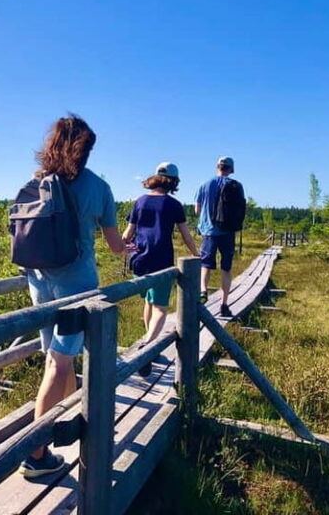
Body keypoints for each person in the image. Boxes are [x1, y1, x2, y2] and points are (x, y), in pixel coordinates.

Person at [18, 115, 126, 479]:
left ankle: (72, 423)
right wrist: (129, 246)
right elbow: (114, 247)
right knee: (59, 364)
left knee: (57, 359)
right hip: (78, 285)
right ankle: (34, 455)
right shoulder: (98, 187)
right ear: (87, 148)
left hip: (39, 280)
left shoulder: (37, 182)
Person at [122, 162, 199, 376]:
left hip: (140, 259)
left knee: (148, 300)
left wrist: (125, 249)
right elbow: (185, 234)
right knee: (160, 307)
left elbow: (127, 234)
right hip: (161, 259)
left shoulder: (140, 201)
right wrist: (195, 254)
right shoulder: (174, 205)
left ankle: (149, 343)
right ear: (174, 181)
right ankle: (147, 346)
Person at [194, 156, 243, 318]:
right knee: (226, 268)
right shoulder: (237, 186)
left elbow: (197, 209)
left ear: (218, 167)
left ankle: (203, 291)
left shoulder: (205, 184)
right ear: (231, 169)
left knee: (206, 264)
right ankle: (224, 303)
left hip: (209, 231)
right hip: (228, 232)